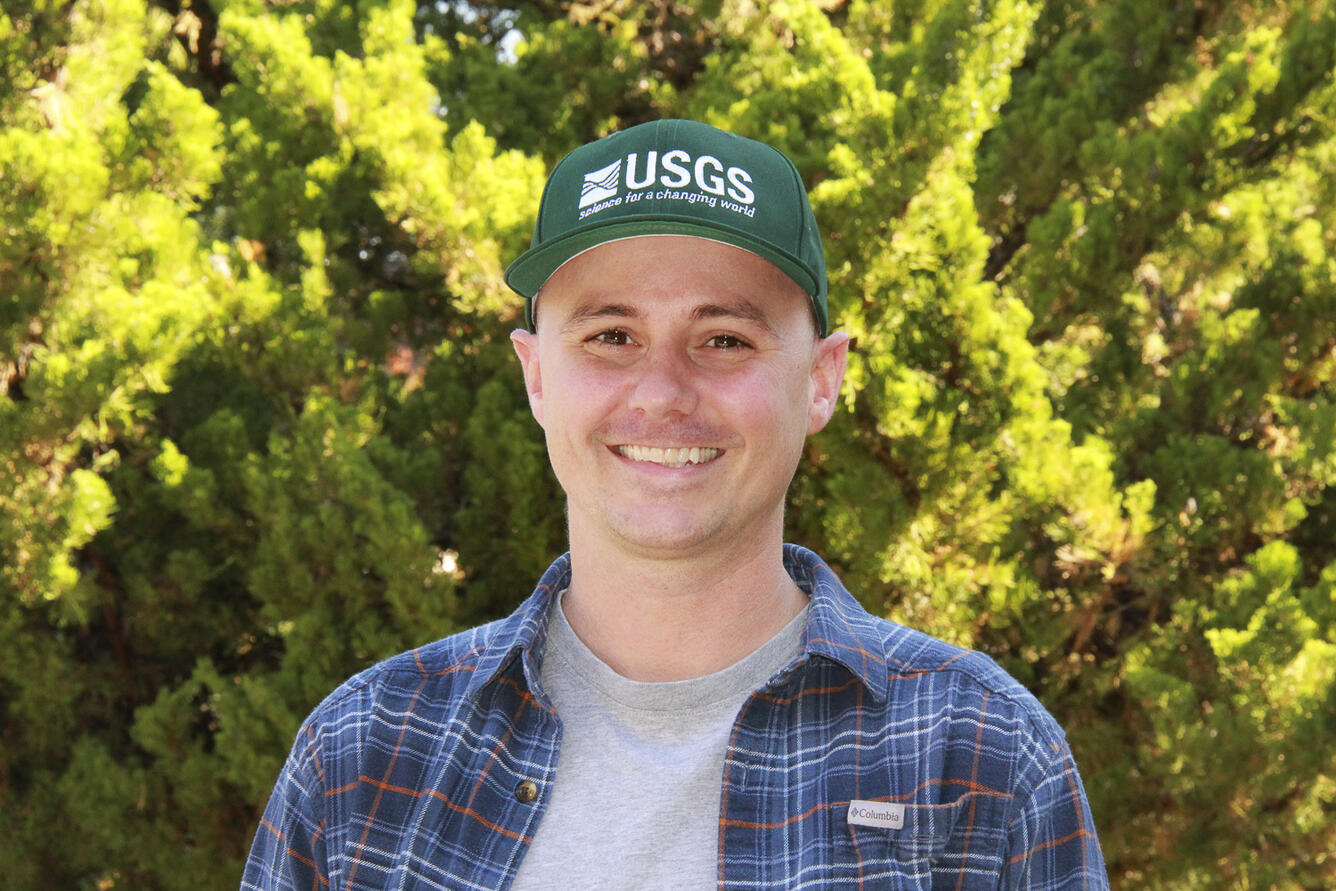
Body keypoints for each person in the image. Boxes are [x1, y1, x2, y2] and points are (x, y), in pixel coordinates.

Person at [242, 119, 1109, 889]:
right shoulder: (365, 756)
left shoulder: (980, 757)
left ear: (821, 378)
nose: (661, 393)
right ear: (537, 374)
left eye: (723, 338)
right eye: (610, 336)